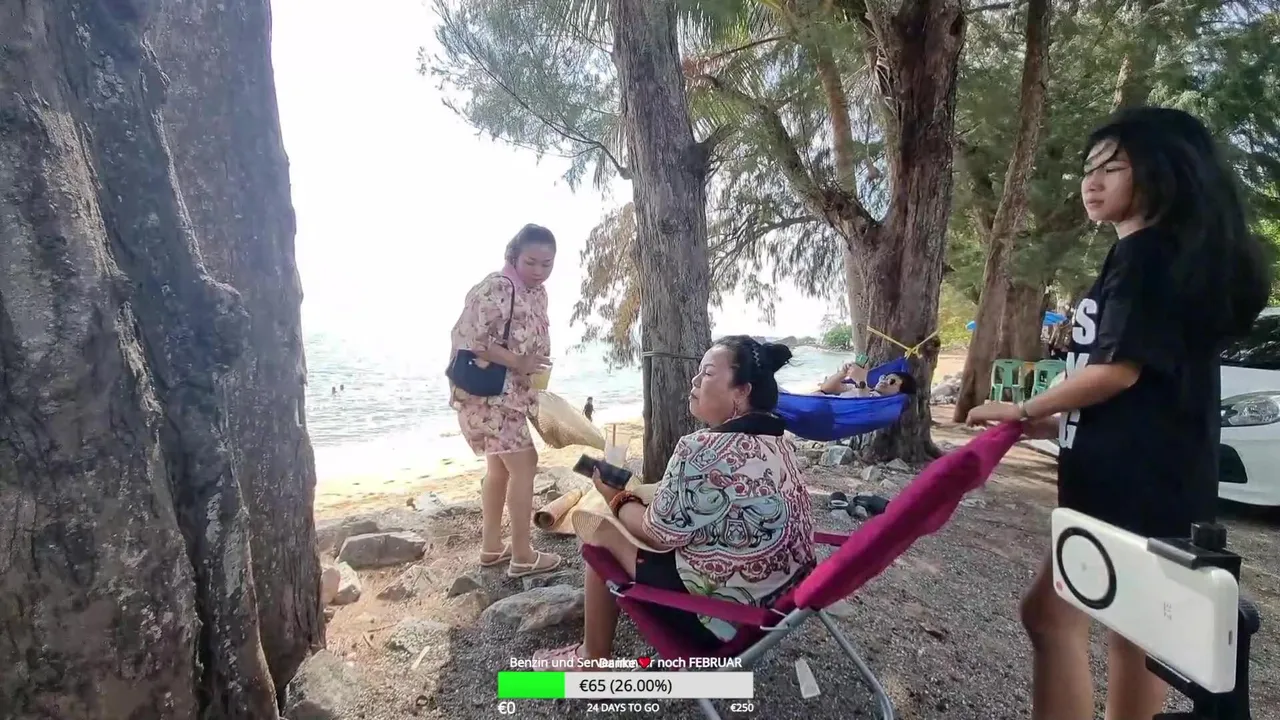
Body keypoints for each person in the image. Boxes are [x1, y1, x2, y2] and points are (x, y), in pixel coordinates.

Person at [966, 107, 1269, 720]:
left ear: (1163, 173)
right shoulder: (1167, 258)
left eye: (1114, 167)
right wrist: (1049, 423)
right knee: (1131, 635)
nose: (1092, 182)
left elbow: (1115, 372)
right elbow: (1148, 393)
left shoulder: (1143, 256)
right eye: (1088, 169)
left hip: (1129, 488)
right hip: (1156, 481)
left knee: (1052, 616)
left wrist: (1022, 404)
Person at [531, 336, 816, 665]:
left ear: (741, 391)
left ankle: (591, 658)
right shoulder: (780, 443)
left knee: (599, 532)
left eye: (708, 373)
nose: (695, 380)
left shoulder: (701, 449)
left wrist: (616, 497)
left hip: (719, 622)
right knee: (639, 515)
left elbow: (655, 534)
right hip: (773, 606)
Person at [448, 224, 562, 578]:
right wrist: (519, 362)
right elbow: (472, 338)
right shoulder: (498, 286)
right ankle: (523, 556)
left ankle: (492, 547)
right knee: (525, 464)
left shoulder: (536, 292)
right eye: (531, 262)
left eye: (547, 264)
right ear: (513, 256)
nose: (539, 270)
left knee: (499, 469)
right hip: (490, 396)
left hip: (511, 394)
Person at [816, 362, 917, 398]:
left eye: (892, 381)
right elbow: (826, 389)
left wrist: (861, 380)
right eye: (884, 377)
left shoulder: (882, 405)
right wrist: (843, 373)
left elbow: (864, 405)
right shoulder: (862, 388)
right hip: (815, 401)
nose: (884, 381)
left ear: (899, 393)